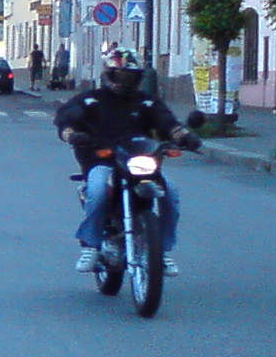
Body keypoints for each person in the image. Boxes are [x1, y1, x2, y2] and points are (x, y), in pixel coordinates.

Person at [54, 49, 193, 275]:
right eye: (118, 75)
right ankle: (91, 245)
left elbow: (167, 122)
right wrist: (71, 133)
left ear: (138, 78)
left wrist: (183, 136)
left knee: (170, 192)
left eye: (129, 76)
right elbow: (67, 117)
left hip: (139, 162)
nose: (122, 81)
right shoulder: (91, 99)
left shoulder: (146, 102)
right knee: (98, 190)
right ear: (108, 75)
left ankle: (163, 250)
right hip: (103, 162)